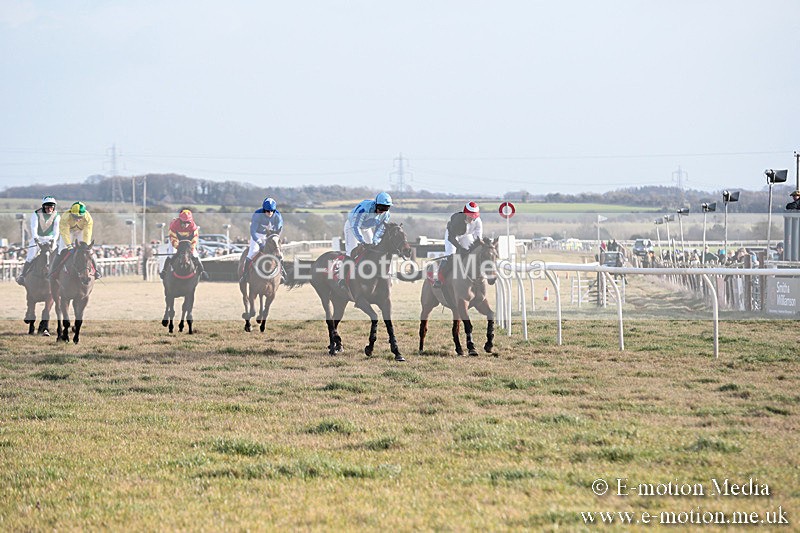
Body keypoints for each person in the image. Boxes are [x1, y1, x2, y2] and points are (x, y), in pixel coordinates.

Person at [433, 201, 483, 288]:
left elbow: (478, 239)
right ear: (465, 214)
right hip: (453, 236)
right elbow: (451, 238)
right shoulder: (457, 220)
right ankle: (439, 278)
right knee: (451, 255)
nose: (472, 219)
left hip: (466, 235)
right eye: (470, 217)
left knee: (470, 253)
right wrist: (459, 248)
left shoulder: (478, 221)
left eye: (473, 217)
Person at [16, 196, 61, 285]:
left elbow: (56, 230)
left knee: (55, 256)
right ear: (43, 206)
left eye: (51, 207)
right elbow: (34, 227)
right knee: (31, 256)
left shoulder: (57, 215)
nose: (49, 209)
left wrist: (53, 240)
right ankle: (23, 275)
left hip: (50, 238)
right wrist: (36, 238)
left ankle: (59, 275)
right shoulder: (36, 213)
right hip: (38, 238)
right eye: (47, 207)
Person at [51, 201, 101, 279]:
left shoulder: (88, 218)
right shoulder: (65, 217)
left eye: (80, 217)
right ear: (71, 213)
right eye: (75, 217)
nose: (77, 219)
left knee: (89, 251)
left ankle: (96, 271)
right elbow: (65, 233)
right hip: (68, 231)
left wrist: (85, 245)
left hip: (81, 231)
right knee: (61, 249)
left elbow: (87, 233)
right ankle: (53, 271)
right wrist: (69, 246)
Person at [241, 197, 284, 283]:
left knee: (280, 255)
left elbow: (278, 231)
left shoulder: (278, 216)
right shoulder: (257, 215)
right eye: (268, 211)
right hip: (257, 235)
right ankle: (245, 276)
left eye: (272, 211)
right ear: (264, 209)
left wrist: (274, 240)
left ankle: (282, 274)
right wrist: (260, 243)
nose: (270, 213)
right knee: (252, 253)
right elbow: (252, 232)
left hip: (270, 236)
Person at [162, 209, 207, 280]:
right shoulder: (174, 225)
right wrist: (178, 247)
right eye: (184, 222)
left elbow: (194, 239)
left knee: (195, 254)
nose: (186, 225)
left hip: (188, 242)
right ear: (180, 220)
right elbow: (172, 238)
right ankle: (164, 271)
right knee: (171, 254)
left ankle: (202, 271)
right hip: (176, 239)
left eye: (188, 222)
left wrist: (190, 249)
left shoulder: (193, 227)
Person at [343, 192, 392, 257]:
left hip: (366, 228)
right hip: (352, 226)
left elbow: (380, 229)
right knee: (351, 251)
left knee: (372, 249)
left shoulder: (386, 215)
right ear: (376, 204)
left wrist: (375, 241)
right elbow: (355, 226)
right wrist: (362, 241)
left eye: (386, 208)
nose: (382, 211)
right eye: (381, 207)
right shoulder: (364, 209)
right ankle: (345, 265)